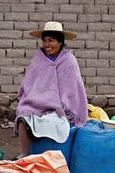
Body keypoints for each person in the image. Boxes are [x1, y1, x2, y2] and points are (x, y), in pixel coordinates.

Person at [14, 21, 88, 159]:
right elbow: (30, 83)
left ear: (60, 42)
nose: (47, 44)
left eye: (51, 40)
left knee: (55, 120)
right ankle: (25, 153)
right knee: (23, 113)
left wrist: (60, 104)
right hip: (36, 102)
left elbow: (73, 88)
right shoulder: (38, 59)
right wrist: (36, 98)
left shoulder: (69, 61)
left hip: (60, 106)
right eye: (45, 41)